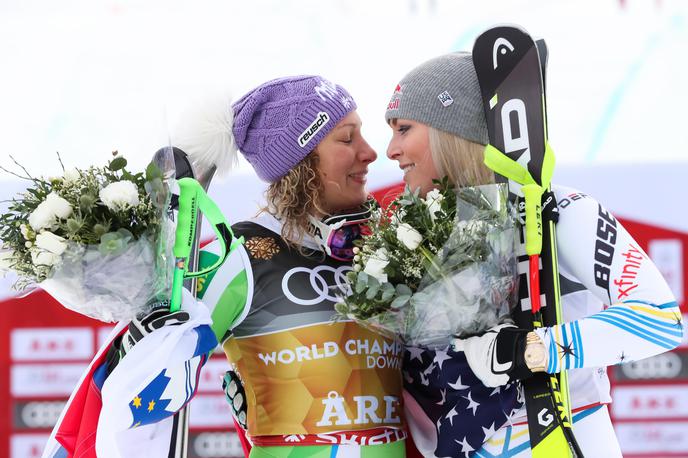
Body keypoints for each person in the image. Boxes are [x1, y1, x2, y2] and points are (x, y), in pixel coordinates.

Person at [383, 52, 682, 457]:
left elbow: (659, 319)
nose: (391, 149)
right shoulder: (407, 237)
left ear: (451, 131)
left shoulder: (560, 211)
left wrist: (527, 352)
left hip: (561, 434)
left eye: (404, 129)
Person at [194, 76, 407, 457]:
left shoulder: (382, 248)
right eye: (347, 138)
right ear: (301, 162)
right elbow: (151, 367)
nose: (370, 152)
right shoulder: (239, 254)